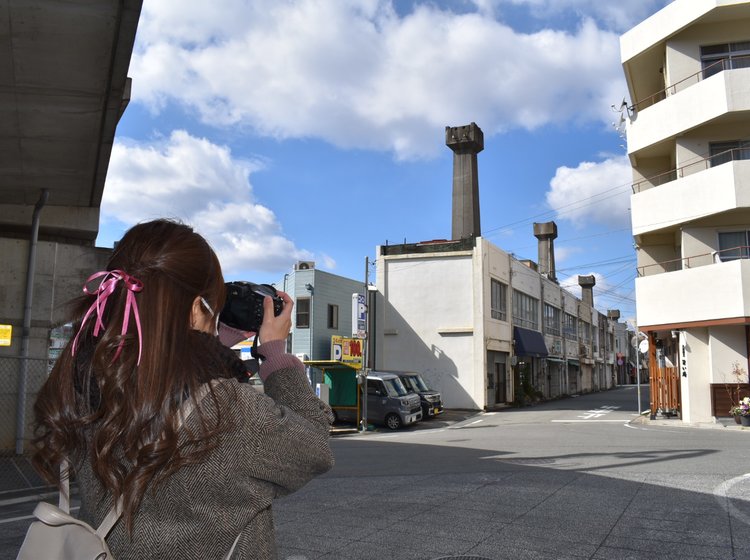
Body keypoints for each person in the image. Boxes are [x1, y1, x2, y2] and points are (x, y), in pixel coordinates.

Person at [31, 219, 334, 559]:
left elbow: (159, 376)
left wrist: (213, 344)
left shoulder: (80, 383)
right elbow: (315, 447)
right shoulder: (225, 411)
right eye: (212, 306)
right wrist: (275, 353)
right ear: (194, 308)